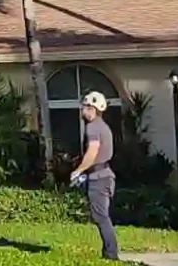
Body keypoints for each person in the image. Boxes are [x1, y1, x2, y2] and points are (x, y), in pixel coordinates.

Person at [70, 91, 119, 261]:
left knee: (100, 216)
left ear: (93, 109)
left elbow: (92, 151)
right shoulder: (102, 126)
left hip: (99, 178)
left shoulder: (93, 127)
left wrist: (79, 170)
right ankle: (109, 252)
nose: (83, 110)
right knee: (102, 215)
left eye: (85, 107)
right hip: (105, 175)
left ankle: (111, 254)